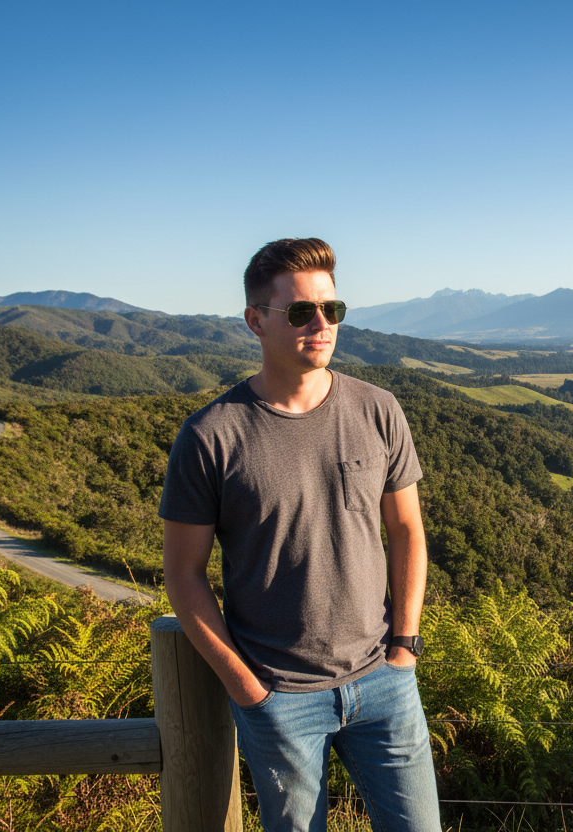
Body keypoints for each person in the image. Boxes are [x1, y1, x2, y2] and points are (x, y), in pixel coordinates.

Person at [159, 238, 441, 832]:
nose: (322, 324)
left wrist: (404, 647)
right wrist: (247, 689)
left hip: (384, 682)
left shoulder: (378, 409)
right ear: (254, 321)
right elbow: (183, 575)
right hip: (278, 697)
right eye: (300, 311)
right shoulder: (211, 435)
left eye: (331, 309)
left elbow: (408, 529)